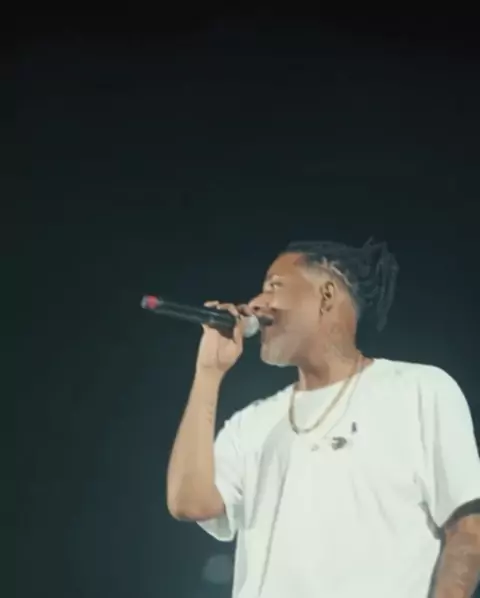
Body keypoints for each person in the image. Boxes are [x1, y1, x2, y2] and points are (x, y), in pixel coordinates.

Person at [167, 239, 480, 598]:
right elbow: (189, 502)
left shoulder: (419, 390)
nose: (255, 303)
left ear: (326, 295)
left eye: (274, 286)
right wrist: (209, 372)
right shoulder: (251, 423)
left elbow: (468, 529)